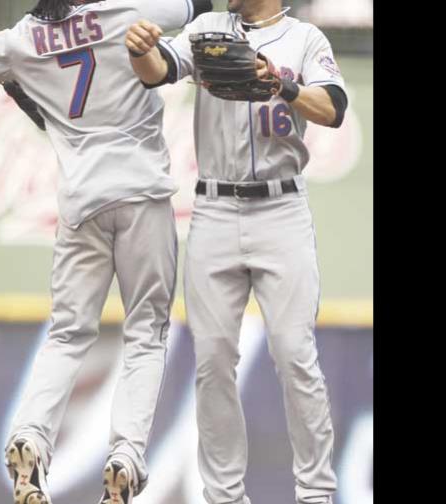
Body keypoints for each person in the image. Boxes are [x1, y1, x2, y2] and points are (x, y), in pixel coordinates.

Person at [0, 1, 212, 503]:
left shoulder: (22, 38)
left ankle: (30, 435)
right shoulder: (125, 8)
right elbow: (199, 5)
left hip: (80, 201)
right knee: (147, 332)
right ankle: (126, 454)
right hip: (141, 193)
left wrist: (18, 70)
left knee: (67, 333)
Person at [125, 1, 348, 502]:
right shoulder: (207, 28)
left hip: (281, 210)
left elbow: (333, 108)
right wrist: (140, 51)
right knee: (212, 361)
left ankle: (316, 493)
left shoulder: (304, 39)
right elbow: (159, 70)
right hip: (214, 209)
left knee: (295, 355)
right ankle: (224, 496)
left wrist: (283, 86)